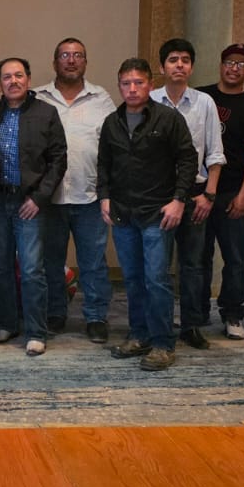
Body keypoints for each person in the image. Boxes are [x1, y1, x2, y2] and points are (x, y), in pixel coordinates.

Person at [98, 58, 198, 371]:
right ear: (119, 86)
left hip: (158, 212)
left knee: (156, 279)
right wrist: (104, 197)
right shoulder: (112, 122)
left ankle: (162, 343)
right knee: (132, 279)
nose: (132, 89)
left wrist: (179, 200)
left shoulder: (168, 119)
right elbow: (104, 164)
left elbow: (188, 160)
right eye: (126, 83)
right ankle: (139, 335)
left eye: (138, 82)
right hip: (123, 213)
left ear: (150, 85)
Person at [33, 38, 117, 343]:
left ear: (85, 62)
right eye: (65, 55)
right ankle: (56, 313)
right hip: (49, 198)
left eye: (77, 55)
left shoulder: (102, 99)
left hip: (90, 196)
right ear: (55, 62)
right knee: (50, 261)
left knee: (93, 262)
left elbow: (113, 147)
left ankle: (95, 317)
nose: (71, 60)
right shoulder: (37, 97)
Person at [0, 58, 67, 356]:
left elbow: (58, 160)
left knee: (31, 269)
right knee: (1, 266)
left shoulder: (46, 113)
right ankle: (7, 324)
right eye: (6, 77)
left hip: (29, 202)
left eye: (18, 75)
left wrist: (39, 198)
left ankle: (36, 332)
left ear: (28, 80)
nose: (13, 81)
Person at [151, 38, 226, 350]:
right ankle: (159, 324)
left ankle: (192, 325)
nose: (179, 65)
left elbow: (215, 153)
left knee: (193, 265)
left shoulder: (204, 102)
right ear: (161, 67)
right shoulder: (149, 100)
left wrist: (209, 195)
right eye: (172, 59)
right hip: (157, 195)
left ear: (191, 67)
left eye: (184, 60)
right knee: (157, 266)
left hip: (195, 195)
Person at [196, 43, 244, 340]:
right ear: (221, 65)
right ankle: (196, 312)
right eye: (229, 62)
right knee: (197, 257)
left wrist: (243, 195)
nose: (233, 68)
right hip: (199, 192)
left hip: (231, 195)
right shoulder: (201, 97)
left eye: (241, 64)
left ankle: (233, 314)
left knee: (235, 258)